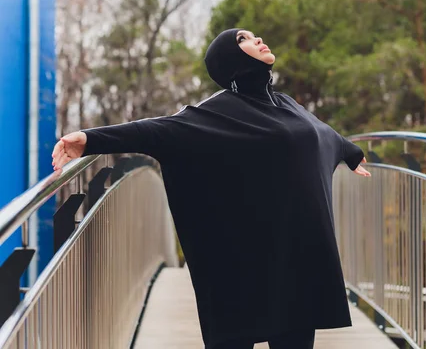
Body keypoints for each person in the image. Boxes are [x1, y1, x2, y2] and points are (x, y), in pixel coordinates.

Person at [51, 28, 371, 349]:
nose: (258, 40)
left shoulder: (286, 104)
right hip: (244, 257)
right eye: (244, 39)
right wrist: (90, 139)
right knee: (234, 331)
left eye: (256, 36)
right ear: (229, 58)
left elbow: (322, 133)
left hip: (296, 253)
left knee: (296, 331)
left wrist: (350, 153)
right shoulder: (215, 112)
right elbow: (154, 131)